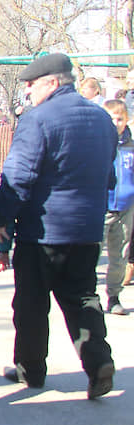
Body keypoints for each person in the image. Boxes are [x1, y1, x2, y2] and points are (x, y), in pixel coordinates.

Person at [0, 53, 116, 400]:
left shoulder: (38, 120)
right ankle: (98, 361)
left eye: (31, 84)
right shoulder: (102, 118)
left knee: (31, 303)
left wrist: (2, 220)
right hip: (88, 229)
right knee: (82, 298)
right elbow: (109, 175)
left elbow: (19, 176)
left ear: (52, 82)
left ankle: (30, 369)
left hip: (43, 230)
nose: (27, 91)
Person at [99, 100, 134, 315]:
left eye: (120, 118)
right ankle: (87, 296)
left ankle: (114, 296)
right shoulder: (99, 144)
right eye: (112, 118)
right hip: (103, 207)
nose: (116, 122)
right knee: (92, 252)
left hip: (127, 208)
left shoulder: (131, 147)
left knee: (119, 254)